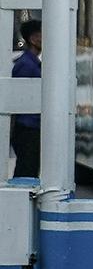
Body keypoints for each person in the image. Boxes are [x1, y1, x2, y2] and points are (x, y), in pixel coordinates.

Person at [9, 19, 41, 180]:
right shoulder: (27, 65)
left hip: (29, 126)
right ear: (33, 39)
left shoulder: (30, 62)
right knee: (27, 170)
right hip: (27, 127)